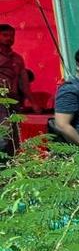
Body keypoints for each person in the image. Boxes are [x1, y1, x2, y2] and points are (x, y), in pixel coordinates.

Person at [0, 23, 28, 154]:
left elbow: (23, 82)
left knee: (15, 138)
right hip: (0, 100)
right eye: (5, 35)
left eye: (12, 36)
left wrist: (32, 101)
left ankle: (12, 168)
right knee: (4, 136)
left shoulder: (17, 58)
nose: (9, 38)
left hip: (14, 100)